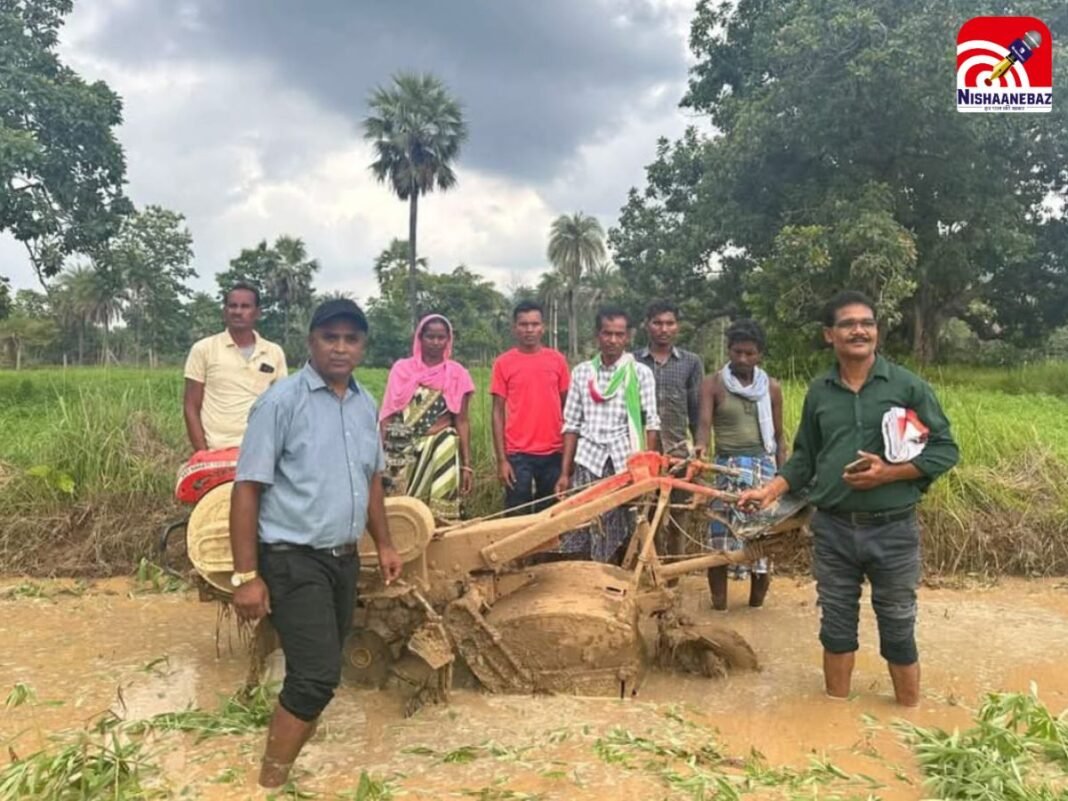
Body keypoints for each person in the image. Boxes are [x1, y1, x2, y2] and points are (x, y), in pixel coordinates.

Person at [738, 291, 959, 707]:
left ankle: (907, 717)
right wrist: (769, 491)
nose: (859, 330)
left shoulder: (907, 386)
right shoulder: (820, 391)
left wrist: (889, 474)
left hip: (894, 529)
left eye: (867, 323)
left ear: (876, 331)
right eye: (848, 324)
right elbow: (805, 456)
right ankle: (835, 718)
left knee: (897, 627)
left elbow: (945, 450)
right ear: (829, 335)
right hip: (833, 529)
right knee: (836, 626)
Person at [228, 298, 403, 788]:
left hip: (342, 560)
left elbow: (370, 480)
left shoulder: (366, 404)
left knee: (319, 670)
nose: (341, 348)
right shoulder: (282, 403)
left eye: (351, 339)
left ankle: (287, 770)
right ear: (311, 342)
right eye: (331, 337)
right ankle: (270, 783)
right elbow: (247, 488)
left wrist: (384, 544)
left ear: (363, 346)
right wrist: (246, 576)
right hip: (290, 558)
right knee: (316, 676)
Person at [554, 306, 660, 563]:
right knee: (581, 525)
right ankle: (586, 584)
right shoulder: (582, 373)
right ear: (597, 335)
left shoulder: (640, 374)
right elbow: (571, 425)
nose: (613, 340)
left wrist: (646, 472)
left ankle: (616, 585)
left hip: (625, 462)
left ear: (628, 337)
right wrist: (565, 474)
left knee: (624, 526)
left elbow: (651, 424)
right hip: (588, 461)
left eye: (619, 334)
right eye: (607, 333)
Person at [695, 319, 786, 610]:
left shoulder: (771, 388)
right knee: (720, 541)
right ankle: (719, 606)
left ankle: (756, 605)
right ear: (729, 351)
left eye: (749, 353)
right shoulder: (713, 384)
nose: (743, 359)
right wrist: (699, 457)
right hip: (727, 470)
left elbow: (778, 436)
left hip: (762, 470)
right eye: (737, 352)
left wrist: (782, 481)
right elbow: (704, 429)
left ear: (760, 354)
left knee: (761, 542)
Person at [379, 314, 476, 523]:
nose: (435, 342)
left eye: (441, 337)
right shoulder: (402, 369)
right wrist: (379, 456)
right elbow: (387, 413)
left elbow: (462, 421)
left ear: (448, 340)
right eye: (430, 337)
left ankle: (440, 522)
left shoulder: (457, 374)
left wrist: (467, 465)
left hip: (437, 446)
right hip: (401, 444)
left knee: (449, 439)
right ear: (420, 338)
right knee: (398, 512)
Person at [183, 283, 287, 452]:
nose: (238, 311)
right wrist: (202, 453)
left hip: (260, 450)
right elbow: (190, 405)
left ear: (257, 313)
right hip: (216, 449)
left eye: (245, 306)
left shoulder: (273, 352)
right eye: (232, 306)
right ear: (225, 311)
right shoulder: (204, 349)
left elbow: (282, 407)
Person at [490, 300, 570, 515]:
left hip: (554, 451)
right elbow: (497, 412)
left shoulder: (557, 360)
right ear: (515, 328)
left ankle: (547, 551)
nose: (529, 330)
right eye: (523, 324)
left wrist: (568, 459)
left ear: (542, 327)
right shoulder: (503, 363)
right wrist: (501, 460)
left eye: (534, 324)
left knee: (551, 515)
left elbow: (569, 409)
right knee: (517, 513)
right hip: (517, 454)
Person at [636, 300, 704, 458]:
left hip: (678, 450)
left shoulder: (691, 362)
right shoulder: (632, 361)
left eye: (670, 323)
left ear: (677, 326)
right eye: (657, 323)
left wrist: (699, 447)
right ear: (647, 325)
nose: (664, 329)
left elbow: (695, 410)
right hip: (640, 450)